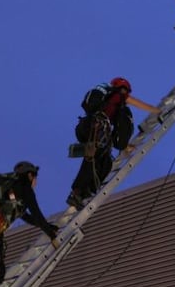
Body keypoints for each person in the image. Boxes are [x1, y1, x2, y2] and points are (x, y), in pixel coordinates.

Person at [67, 77, 159, 210]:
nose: (127, 95)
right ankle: (77, 192)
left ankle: (83, 192)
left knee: (105, 162)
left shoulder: (112, 104)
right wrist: (157, 111)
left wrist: (125, 145)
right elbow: (141, 105)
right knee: (92, 158)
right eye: (126, 90)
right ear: (122, 88)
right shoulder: (118, 96)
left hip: (87, 128)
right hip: (96, 127)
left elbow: (117, 127)